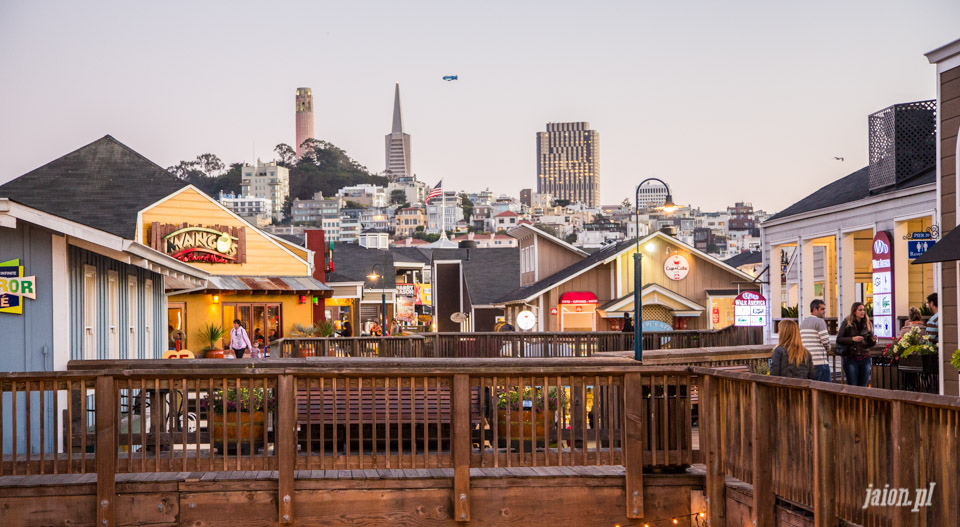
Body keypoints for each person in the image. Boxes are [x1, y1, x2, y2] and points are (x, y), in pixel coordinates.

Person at [836, 302, 876, 387]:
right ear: (854, 311)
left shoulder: (867, 323)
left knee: (863, 385)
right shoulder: (847, 322)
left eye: (864, 310)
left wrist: (873, 340)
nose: (863, 312)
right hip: (851, 357)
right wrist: (852, 339)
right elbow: (839, 338)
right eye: (860, 310)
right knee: (853, 385)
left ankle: (863, 400)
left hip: (865, 356)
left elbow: (869, 343)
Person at [799, 299, 832, 382]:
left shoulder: (803, 322)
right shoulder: (820, 321)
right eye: (822, 309)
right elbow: (825, 341)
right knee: (826, 389)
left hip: (807, 362)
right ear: (815, 309)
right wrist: (829, 348)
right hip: (820, 362)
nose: (824, 311)